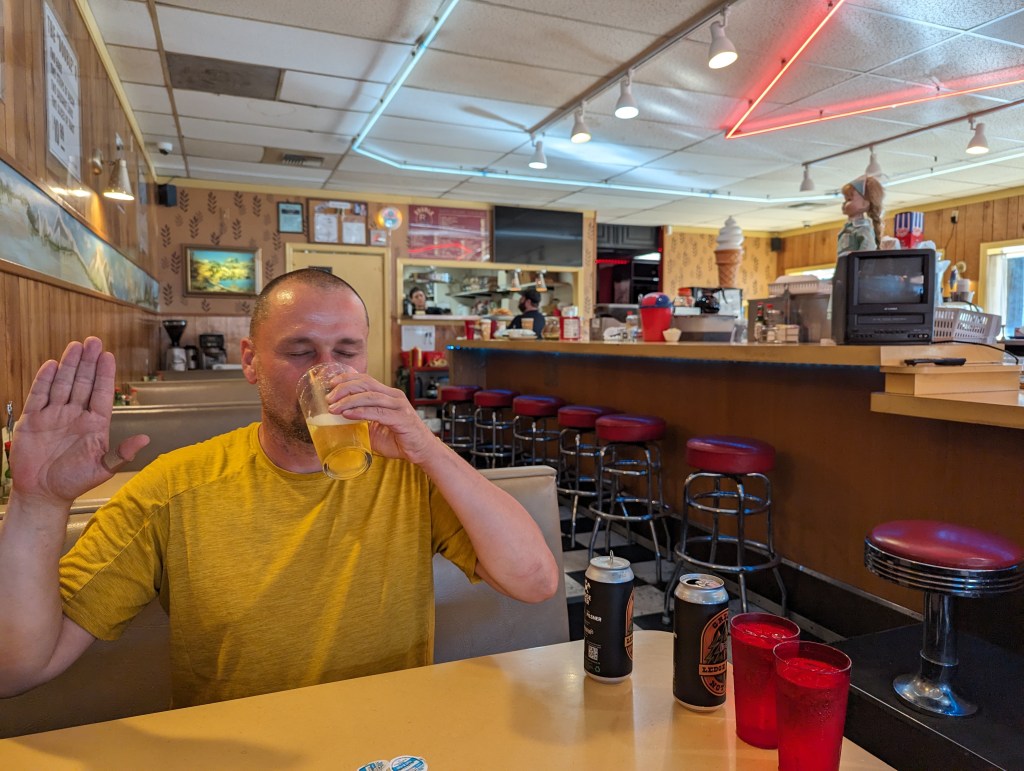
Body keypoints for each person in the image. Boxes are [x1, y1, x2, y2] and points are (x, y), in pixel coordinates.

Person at [0, 269, 559, 707]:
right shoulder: (174, 487)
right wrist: (37, 502)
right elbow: (17, 668)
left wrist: (430, 449)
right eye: (300, 352)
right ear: (251, 361)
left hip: (388, 743)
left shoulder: (409, 472)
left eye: (347, 352)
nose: (327, 373)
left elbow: (535, 583)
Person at [837, 175, 884, 257]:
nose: (844, 203)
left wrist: (859, 264)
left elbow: (867, 251)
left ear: (864, 204)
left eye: (849, 199)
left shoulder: (863, 229)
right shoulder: (849, 228)